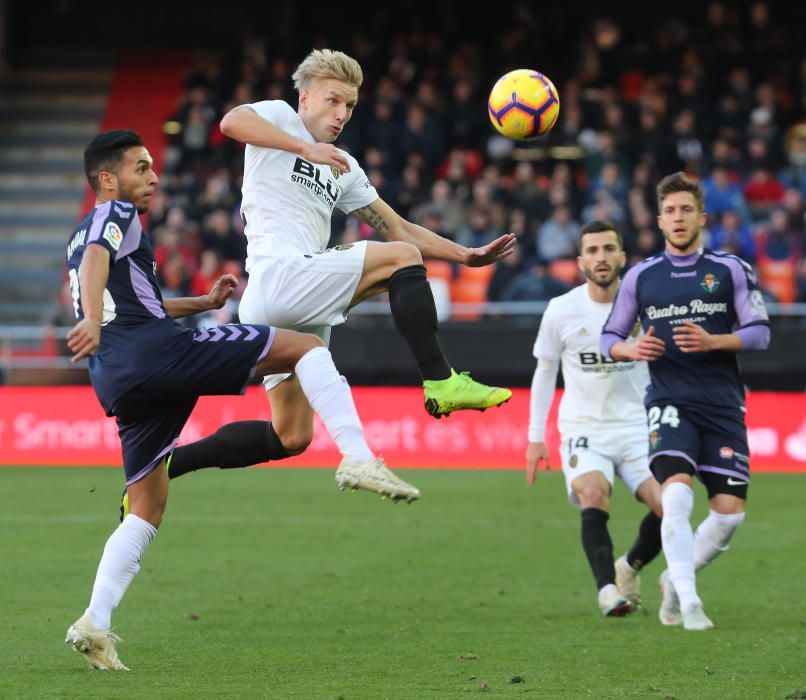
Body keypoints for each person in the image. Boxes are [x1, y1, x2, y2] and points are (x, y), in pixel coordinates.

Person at [65, 130, 419, 671]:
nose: (153, 176)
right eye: (140, 167)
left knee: (146, 507)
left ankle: (95, 621)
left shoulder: (81, 235)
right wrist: (90, 316)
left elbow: (136, 300)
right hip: (154, 354)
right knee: (302, 346)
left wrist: (202, 302)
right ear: (107, 179)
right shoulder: (113, 216)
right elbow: (97, 262)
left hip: (117, 377)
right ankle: (356, 456)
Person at [218, 49, 514, 479]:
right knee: (401, 262)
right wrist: (305, 147)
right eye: (332, 100)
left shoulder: (345, 167)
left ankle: (171, 461)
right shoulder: (280, 118)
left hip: (293, 300)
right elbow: (230, 123)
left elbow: (399, 228)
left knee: (291, 435)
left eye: (350, 106)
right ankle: (440, 379)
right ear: (304, 98)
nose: (342, 114)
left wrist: (464, 256)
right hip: (280, 277)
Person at [601, 172, 771, 631]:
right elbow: (610, 337)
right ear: (660, 220)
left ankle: (675, 583)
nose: (678, 218)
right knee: (675, 495)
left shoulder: (730, 269)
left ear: (702, 217)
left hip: (722, 404)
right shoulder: (641, 276)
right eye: (670, 211)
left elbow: (760, 334)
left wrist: (714, 342)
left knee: (729, 516)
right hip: (669, 399)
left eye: (686, 210)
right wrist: (630, 349)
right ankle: (690, 603)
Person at [526, 220, 663, 617]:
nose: (600, 257)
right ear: (580, 260)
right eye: (592, 250)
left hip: (640, 427)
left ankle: (628, 567)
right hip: (585, 428)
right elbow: (544, 372)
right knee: (592, 493)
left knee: (668, 507)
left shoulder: (647, 307)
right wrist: (536, 438)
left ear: (623, 256)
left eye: (608, 249)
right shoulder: (562, 310)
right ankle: (608, 590)